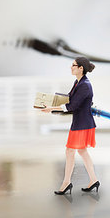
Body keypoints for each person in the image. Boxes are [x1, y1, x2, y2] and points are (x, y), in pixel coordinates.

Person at [42, 57, 100, 195]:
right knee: (80, 151)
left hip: (82, 124)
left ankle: (67, 182)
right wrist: (52, 103)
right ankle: (93, 180)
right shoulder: (78, 82)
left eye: (73, 65)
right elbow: (69, 98)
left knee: (70, 151)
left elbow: (72, 105)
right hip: (80, 122)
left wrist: (52, 109)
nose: (71, 67)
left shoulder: (85, 85)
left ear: (81, 68)